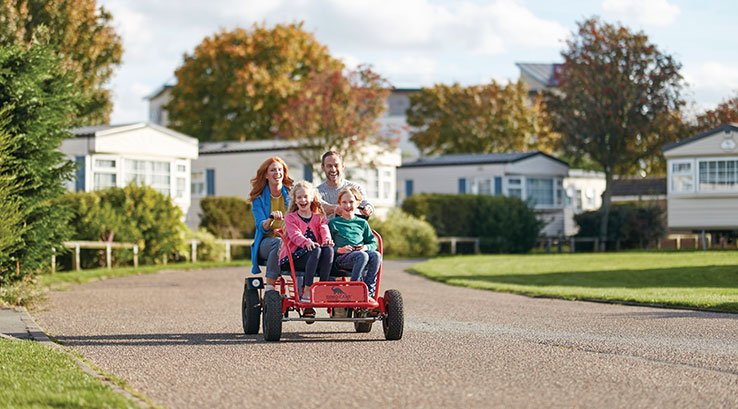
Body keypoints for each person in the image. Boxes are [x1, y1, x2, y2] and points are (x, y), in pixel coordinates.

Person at [278, 181, 334, 307]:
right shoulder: (291, 217)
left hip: (315, 255)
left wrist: (327, 240)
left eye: (305, 197)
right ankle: (307, 290)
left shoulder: (319, 217)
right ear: (295, 200)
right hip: (295, 257)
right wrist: (306, 242)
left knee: (328, 249)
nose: (303, 200)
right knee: (316, 249)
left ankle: (322, 288)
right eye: (299, 197)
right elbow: (295, 235)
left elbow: (324, 229)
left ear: (312, 198)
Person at [328, 186, 380, 302]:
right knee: (362, 256)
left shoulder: (362, 223)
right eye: (344, 202)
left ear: (358, 203)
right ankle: (353, 290)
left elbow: (372, 242)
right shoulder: (334, 223)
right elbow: (327, 245)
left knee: (376, 255)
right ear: (339, 204)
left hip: (360, 254)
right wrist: (338, 249)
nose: (348, 206)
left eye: (351, 202)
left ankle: (368, 292)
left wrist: (365, 247)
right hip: (341, 258)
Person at [249, 156, 293, 292]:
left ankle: (303, 292)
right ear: (266, 175)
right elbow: (261, 226)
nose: (277, 173)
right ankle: (270, 286)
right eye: (273, 170)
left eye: (280, 170)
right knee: (278, 242)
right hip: (267, 241)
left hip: (291, 239)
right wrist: (271, 219)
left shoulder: (292, 194)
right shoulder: (258, 199)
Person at [317, 151, 374, 219]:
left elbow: (366, 203)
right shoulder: (316, 192)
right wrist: (336, 209)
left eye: (336, 165)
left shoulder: (356, 188)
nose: (333, 169)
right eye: (329, 166)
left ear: (343, 166)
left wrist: (368, 208)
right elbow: (319, 207)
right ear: (323, 167)